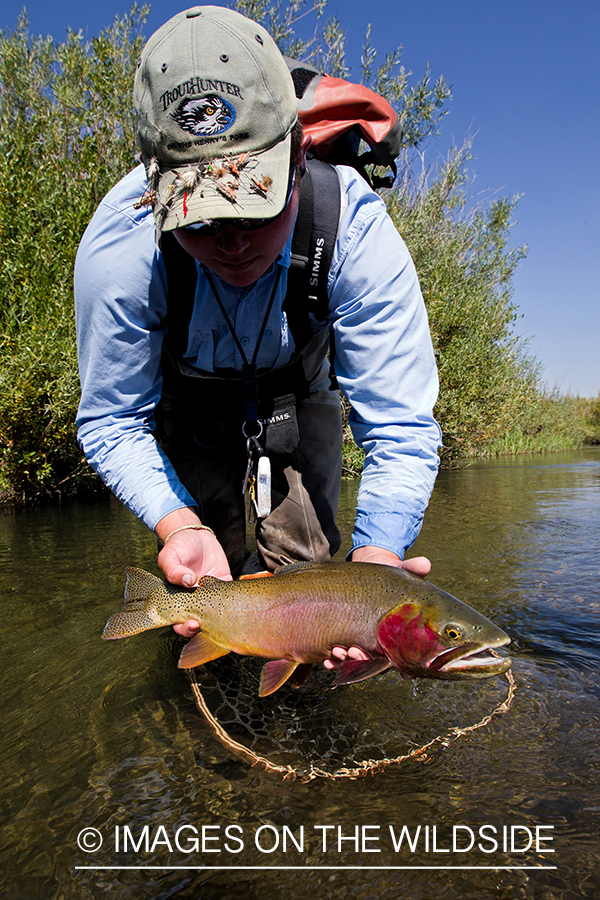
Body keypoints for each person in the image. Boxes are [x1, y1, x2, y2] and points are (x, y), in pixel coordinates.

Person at [74, 6, 441, 658]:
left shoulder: (353, 232)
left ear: (298, 157)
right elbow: (112, 421)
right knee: (203, 584)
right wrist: (177, 522)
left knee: (315, 576)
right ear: (156, 185)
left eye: (254, 203)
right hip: (190, 404)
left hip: (299, 393)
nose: (232, 241)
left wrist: (377, 568)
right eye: (200, 218)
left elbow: (401, 428)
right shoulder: (121, 251)